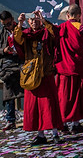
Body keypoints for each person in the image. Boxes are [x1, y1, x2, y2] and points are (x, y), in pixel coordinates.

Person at [14, 10, 63, 146]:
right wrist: (19, 23)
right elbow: (16, 39)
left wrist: (44, 20)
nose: (34, 22)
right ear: (28, 22)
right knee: (35, 106)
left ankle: (55, 133)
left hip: (46, 72)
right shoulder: (26, 34)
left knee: (50, 104)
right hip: (31, 75)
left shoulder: (46, 33)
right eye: (32, 20)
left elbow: (55, 33)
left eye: (37, 20)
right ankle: (40, 134)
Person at [56, 4, 83, 134]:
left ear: (67, 15)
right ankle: (76, 124)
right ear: (79, 16)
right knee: (78, 95)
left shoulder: (61, 28)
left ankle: (63, 123)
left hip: (64, 67)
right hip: (78, 66)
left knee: (64, 96)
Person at [0, 11, 24, 131]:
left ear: (13, 19)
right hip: (8, 66)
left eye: (9, 23)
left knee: (29, 90)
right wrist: (4, 50)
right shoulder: (1, 33)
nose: (8, 26)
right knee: (9, 93)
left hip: (21, 63)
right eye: (5, 25)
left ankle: (31, 117)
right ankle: (10, 120)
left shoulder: (21, 30)